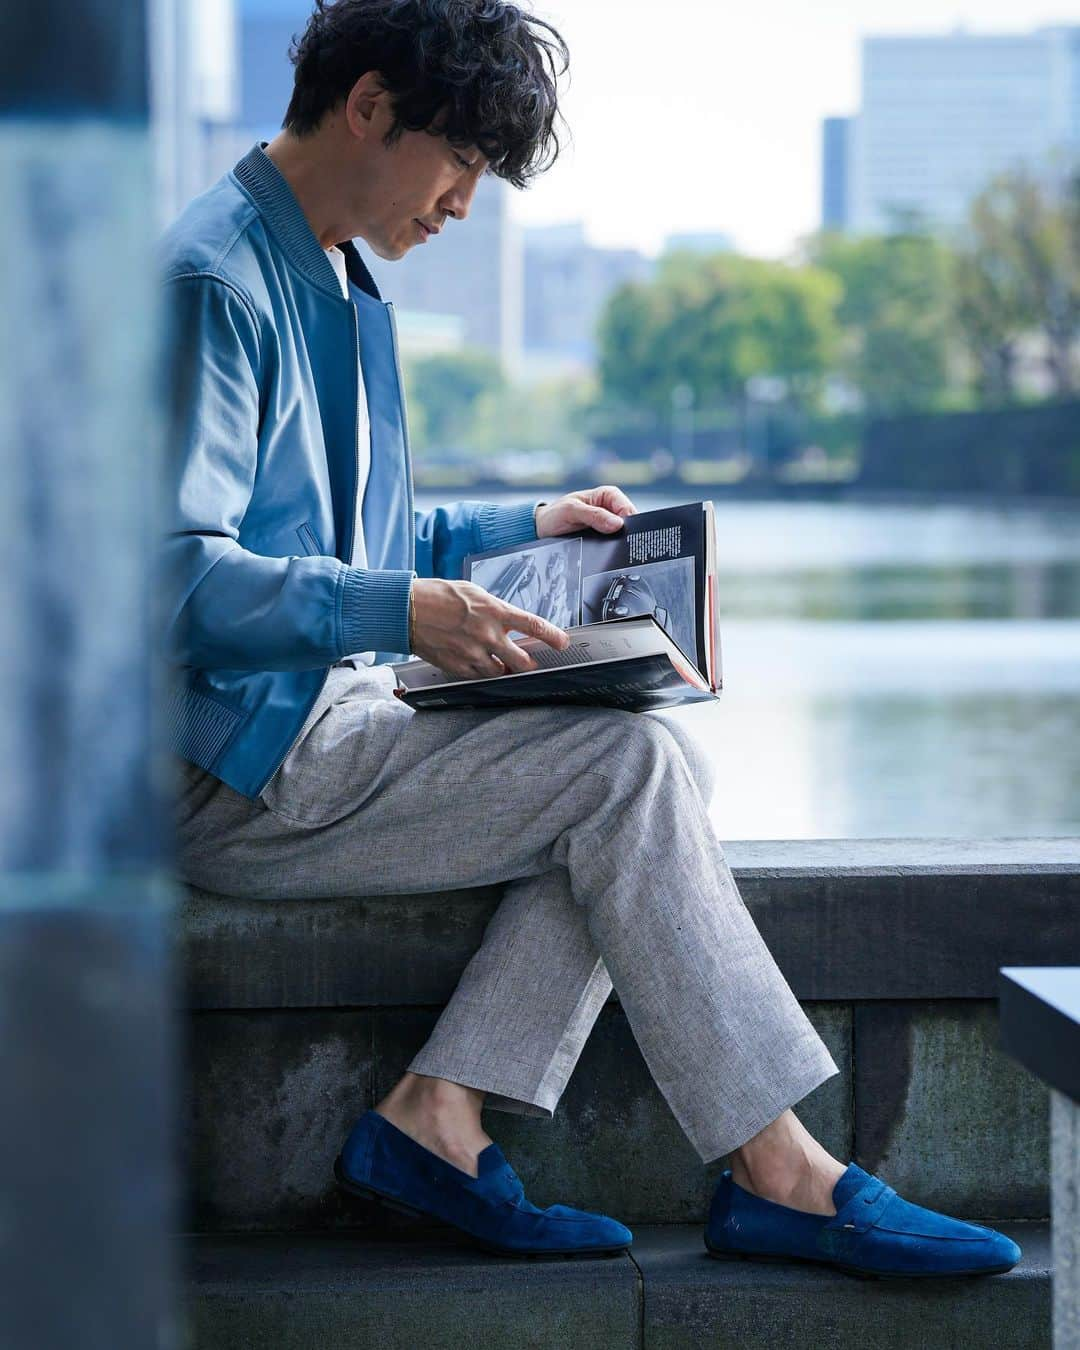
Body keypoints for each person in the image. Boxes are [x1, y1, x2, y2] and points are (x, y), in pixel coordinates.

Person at [164, 0, 1020, 1276]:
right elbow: (169, 581)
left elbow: (362, 530)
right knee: (626, 772)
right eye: (458, 163)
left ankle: (439, 1115)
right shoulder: (211, 286)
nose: (462, 207)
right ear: (371, 108)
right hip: (225, 769)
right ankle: (779, 1167)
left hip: (315, 716)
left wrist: (527, 528)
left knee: (637, 751)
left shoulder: (333, 271)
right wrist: (405, 611)